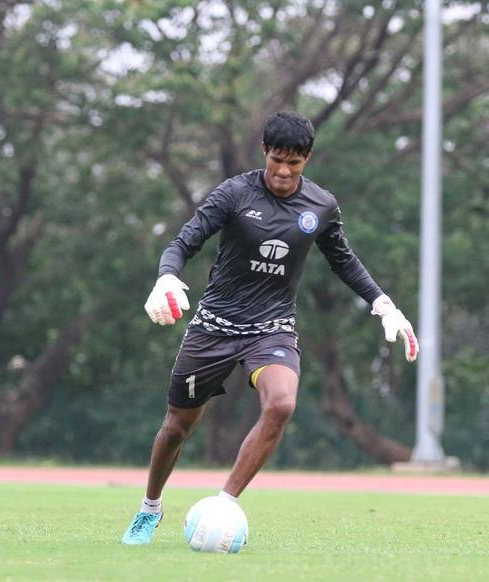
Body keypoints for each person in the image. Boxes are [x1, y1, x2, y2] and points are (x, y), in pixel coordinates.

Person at [121, 111, 418, 545]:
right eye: (277, 159)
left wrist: (383, 303)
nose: (283, 171)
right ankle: (150, 507)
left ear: (308, 159)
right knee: (177, 428)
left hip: (271, 327)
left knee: (281, 404)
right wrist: (166, 275)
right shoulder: (235, 193)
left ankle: (225, 503)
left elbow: (344, 260)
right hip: (213, 326)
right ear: (265, 151)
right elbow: (185, 240)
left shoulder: (321, 206)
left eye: (293, 163)